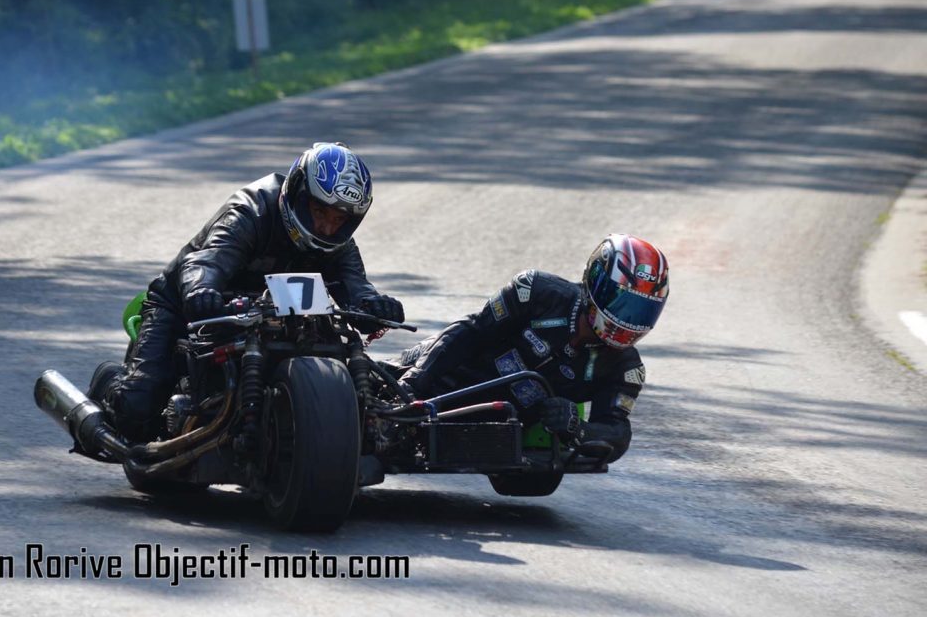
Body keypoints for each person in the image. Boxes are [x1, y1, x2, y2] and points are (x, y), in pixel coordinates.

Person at [90, 142, 404, 442]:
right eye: (320, 212)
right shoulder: (250, 212)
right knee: (136, 407)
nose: (326, 227)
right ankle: (110, 387)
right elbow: (208, 260)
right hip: (187, 307)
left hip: (272, 320)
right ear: (297, 194)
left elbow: (356, 288)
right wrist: (201, 288)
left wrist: (374, 307)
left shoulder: (339, 245)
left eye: (339, 219)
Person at [394, 234, 668, 462]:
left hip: (501, 420)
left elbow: (617, 432)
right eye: (624, 304)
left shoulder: (625, 368)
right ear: (595, 283)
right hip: (438, 377)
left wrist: (577, 427)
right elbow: (471, 331)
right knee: (369, 388)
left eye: (643, 310)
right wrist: (413, 383)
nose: (631, 320)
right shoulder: (535, 292)